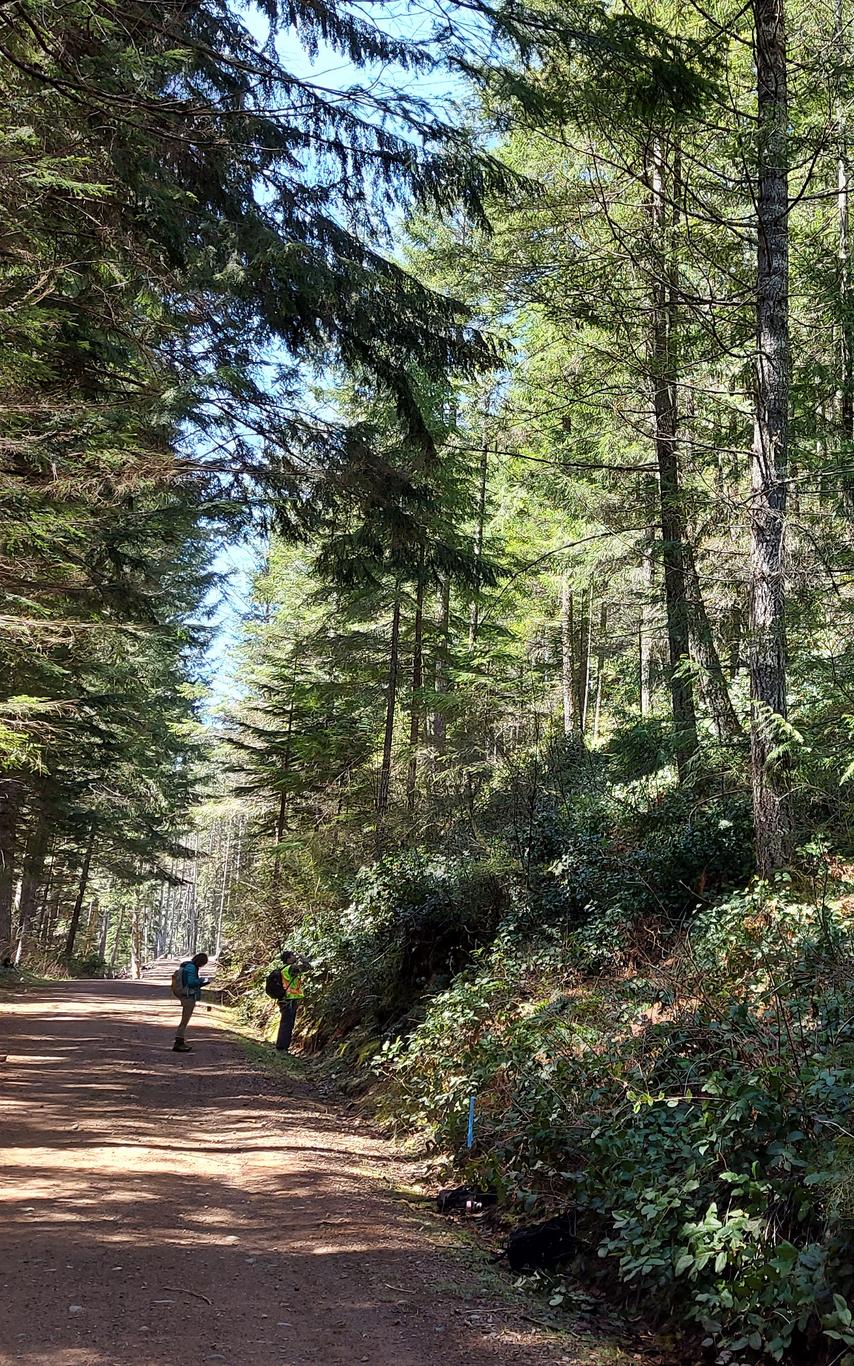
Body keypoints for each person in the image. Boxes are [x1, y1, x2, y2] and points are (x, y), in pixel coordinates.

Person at [173, 953, 209, 1053]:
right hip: (188, 996)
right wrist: (202, 981)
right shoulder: (192, 968)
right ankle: (179, 1042)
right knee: (184, 1021)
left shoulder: (187, 966)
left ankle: (179, 1042)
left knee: (184, 1020)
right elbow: (191, 982)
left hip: (185, 995)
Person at [273, 949, 308, 1052]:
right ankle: (282, 1047)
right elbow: (306, 967)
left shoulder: (284, 969)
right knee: (287, 1023)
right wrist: (302, 958)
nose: (294, 956)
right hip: (289, 999)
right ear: (288, 959)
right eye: (292, 955)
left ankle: (282, 1046)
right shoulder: (291, 968)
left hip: (286, 999)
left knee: (287, 1022)